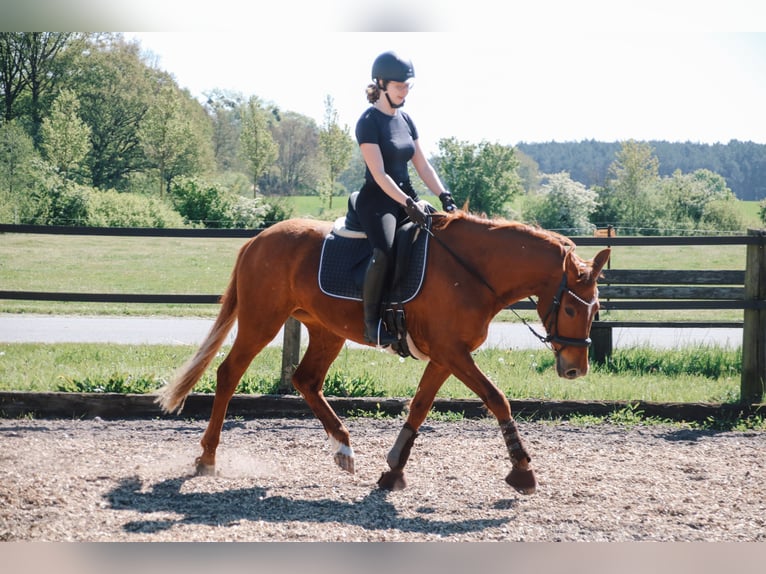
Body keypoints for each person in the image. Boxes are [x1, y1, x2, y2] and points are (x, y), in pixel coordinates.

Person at [355, 50, 457, 346]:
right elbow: (379, 174)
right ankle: (371, 324)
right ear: (381, 83)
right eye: (399, 86)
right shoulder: (368, 122)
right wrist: (407, 204)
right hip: (378, 201)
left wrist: (443, 195)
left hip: (406, 197)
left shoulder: (407, 120)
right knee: (383, 252)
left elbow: (422, 165)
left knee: (441, 238)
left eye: (407, 86)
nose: (405, 92)